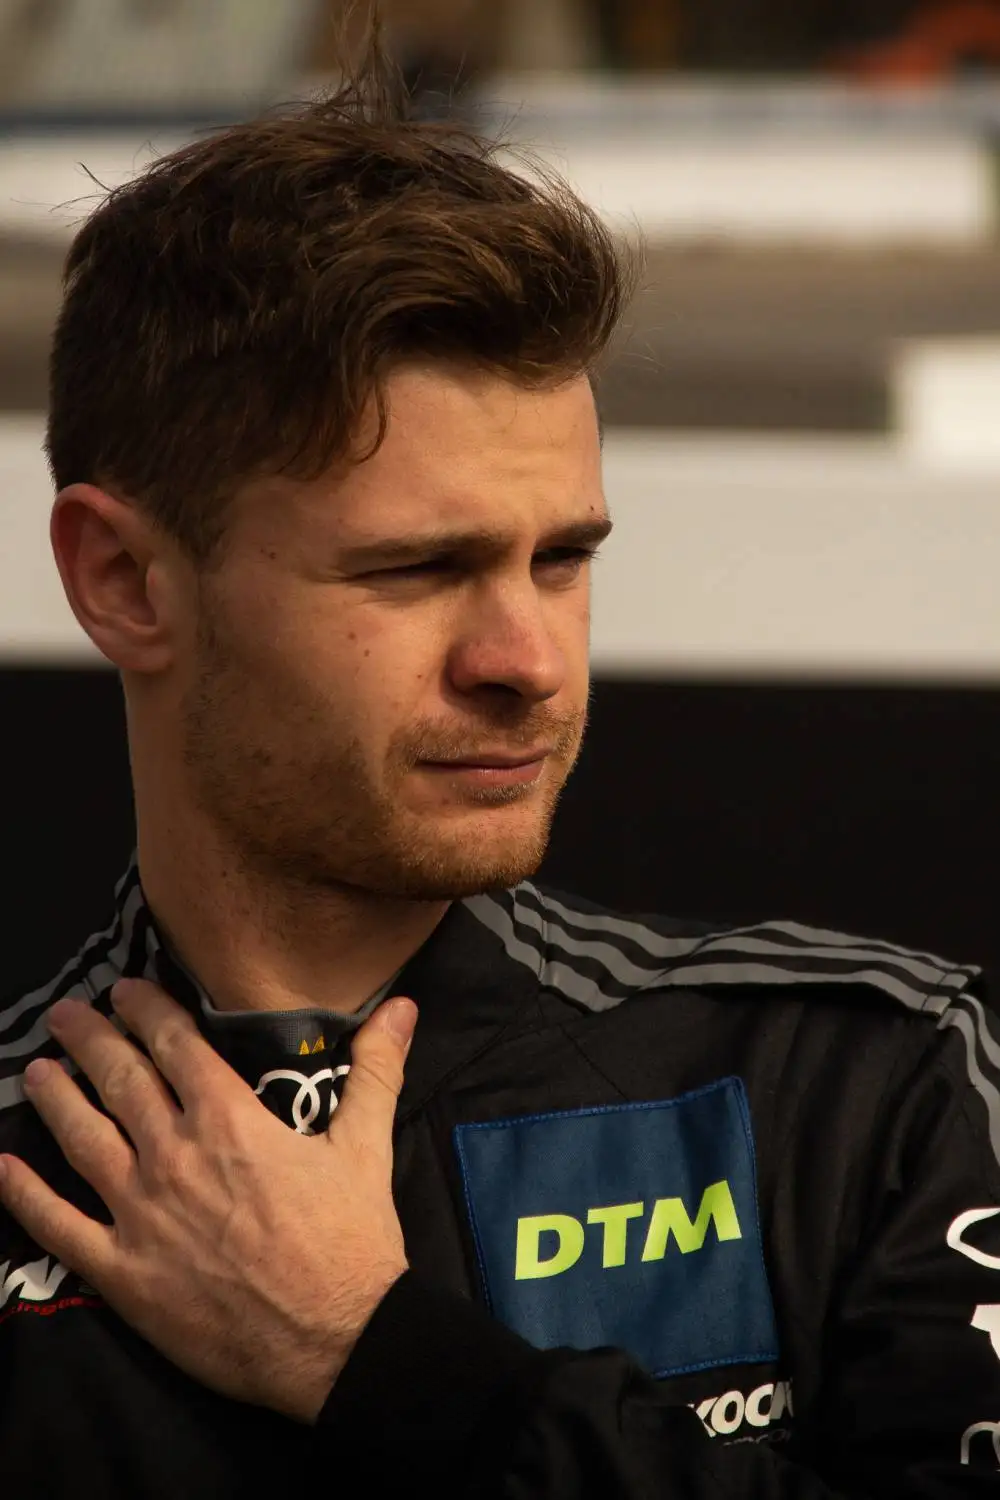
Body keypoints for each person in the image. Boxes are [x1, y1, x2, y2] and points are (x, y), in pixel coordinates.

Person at [1, 22, 999, 1500]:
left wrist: (374, 1359)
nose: (527, 658)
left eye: (562, 559)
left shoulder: (864, 1084)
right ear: (125, 581)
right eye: (416, 568)